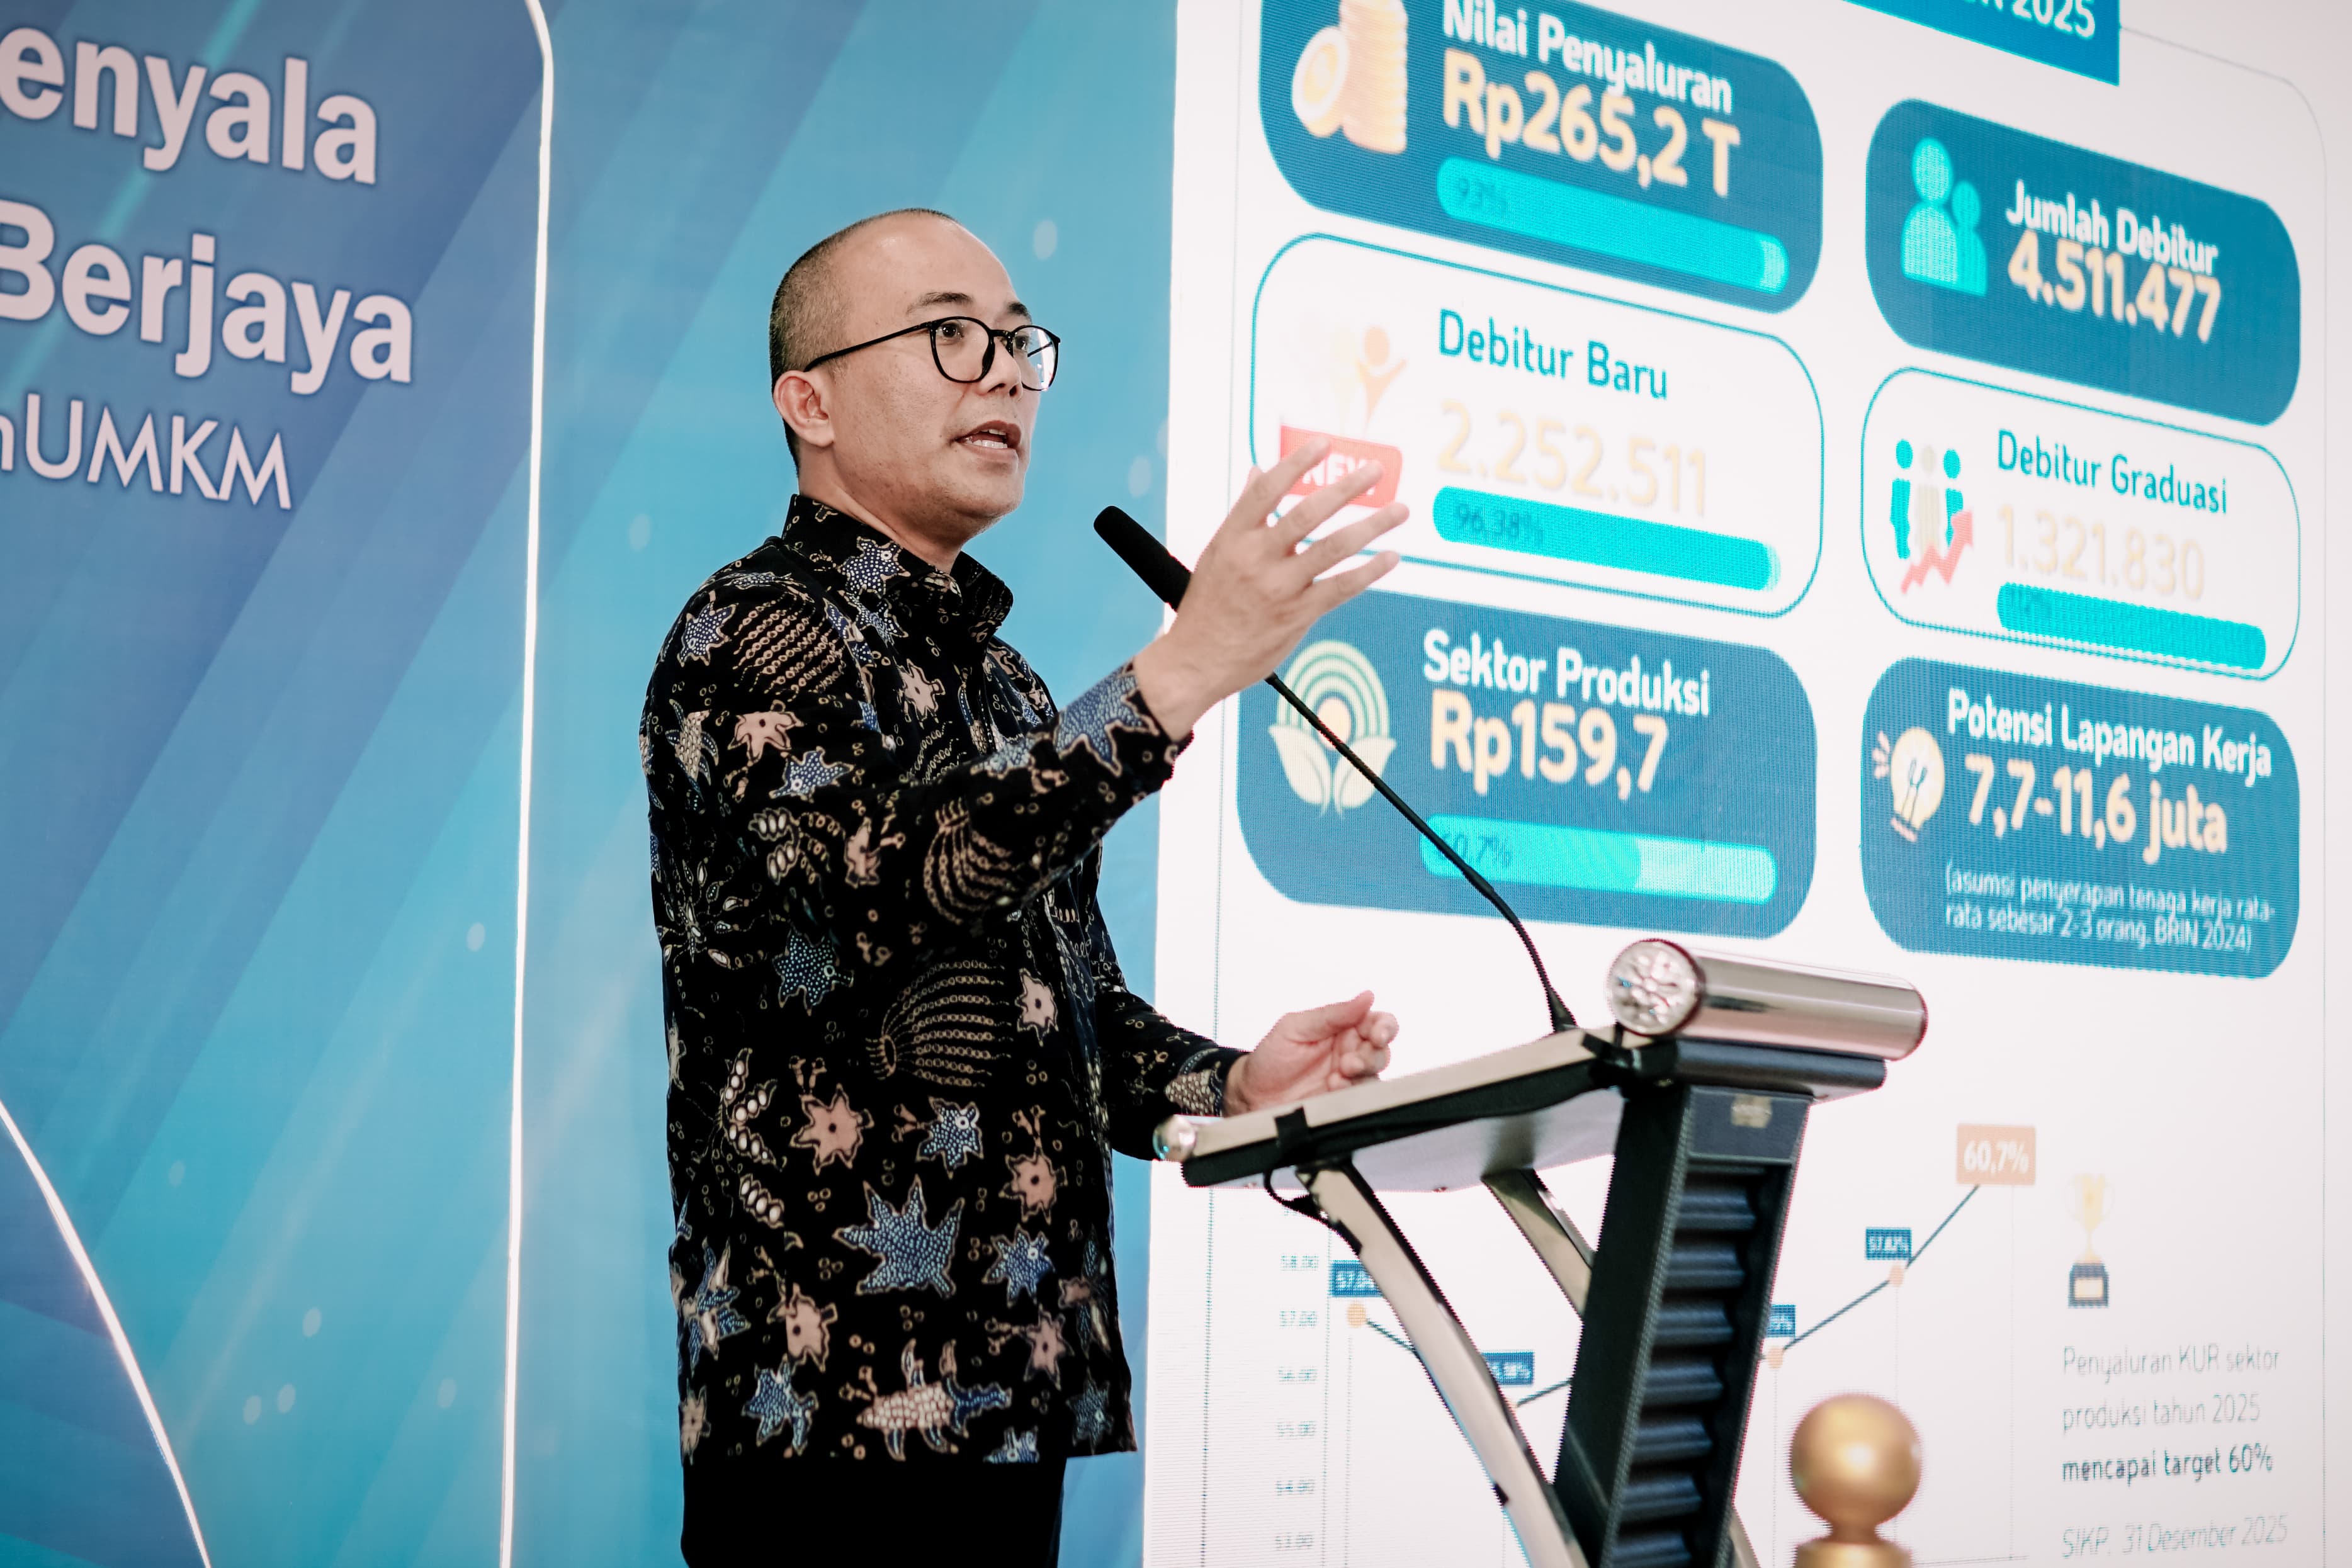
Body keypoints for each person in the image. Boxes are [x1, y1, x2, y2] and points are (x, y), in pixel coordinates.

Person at [642, 207, 1409, 1566]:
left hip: (1011, 1399)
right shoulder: (749, 629)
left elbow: (1065, 1014)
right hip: (830, 1421)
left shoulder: (1004, 686)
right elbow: (883, 883)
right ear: (809, 402)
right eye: (950, 335)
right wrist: (1178, 673)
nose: (1003, 370)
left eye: (1015, 340)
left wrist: (1233, 1086)